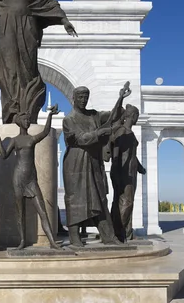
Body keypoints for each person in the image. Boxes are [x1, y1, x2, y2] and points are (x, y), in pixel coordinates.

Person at [62, 84, 130, 247]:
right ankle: (74, 236)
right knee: (76, 199)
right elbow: (81, 139)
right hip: (75, 164)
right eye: (80, 97)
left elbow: (112, 117)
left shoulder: (94, 115)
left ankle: (108, 236)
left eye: (86, 97)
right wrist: (99, 133)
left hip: (93, 161)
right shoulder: (68, 119)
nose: (83, 100)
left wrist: (120, 98)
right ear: (74, 98)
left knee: (99, 197)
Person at [0, 104, 62, 250]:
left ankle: (52, 242)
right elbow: (4, 155)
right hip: (18, 179)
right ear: (19, 122)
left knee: (42, 211)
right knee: (20, 212)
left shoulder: (32, 139)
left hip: (31, 179)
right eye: (25, 120)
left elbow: (46, 131)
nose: (27, 122)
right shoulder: (15, 140)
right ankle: (22, 241)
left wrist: (50, 116)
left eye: (28, 120)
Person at [109, 104, 146, 242]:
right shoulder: (122, 131)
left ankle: (127, 233)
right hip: (123, 171)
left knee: (124, 201)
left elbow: (132, 154)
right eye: (136, 115)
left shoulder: (130, 133)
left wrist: (140, 168)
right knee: (126, 202)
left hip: (130, 171)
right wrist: (116, 170)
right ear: (132, 116)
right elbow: (116, 153)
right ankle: (118, 232)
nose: (137, 118)